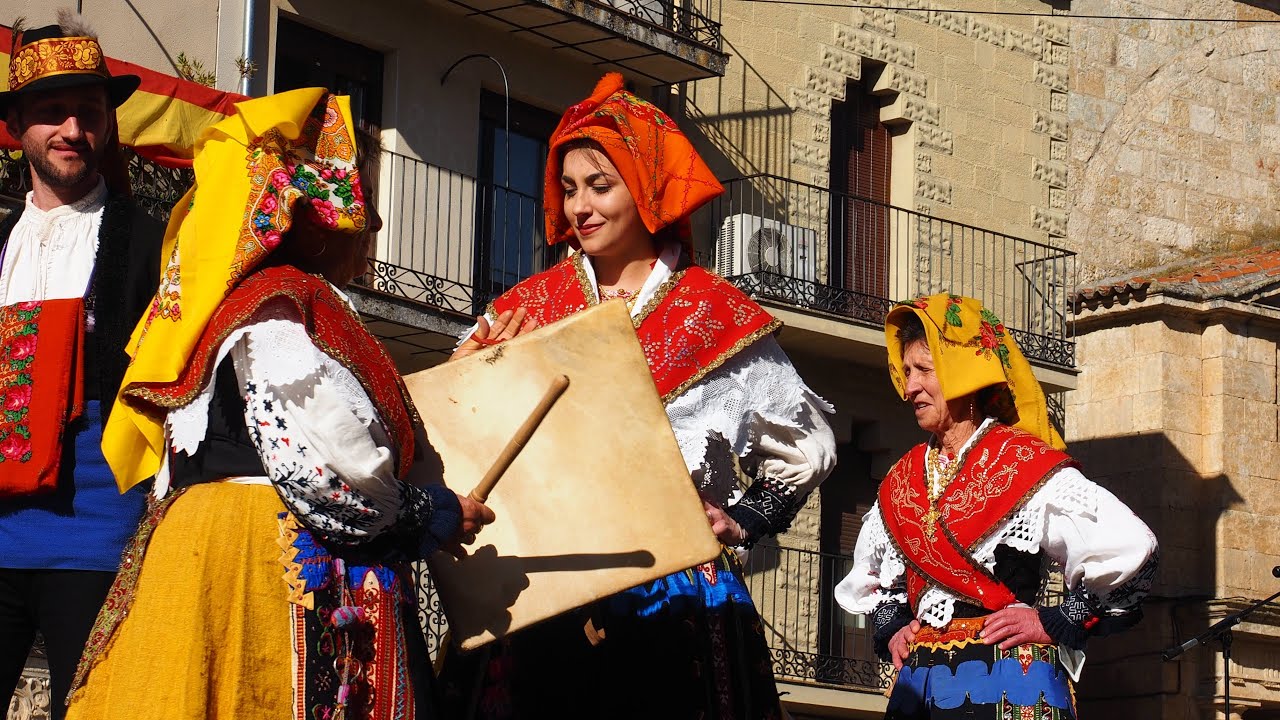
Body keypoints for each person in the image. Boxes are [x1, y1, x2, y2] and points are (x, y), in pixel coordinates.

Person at [64, 88, 494, 720]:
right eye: (364, 214)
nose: (371, 233)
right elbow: (330, 476)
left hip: (206, 549)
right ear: (317, 224)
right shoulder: (282, 308)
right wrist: (426, 513)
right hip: (258, 563)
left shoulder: (247, 305)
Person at [440, 73, 837, 719]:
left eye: (600, 186)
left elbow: (808, 446)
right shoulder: (526, 307)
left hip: (671, 594)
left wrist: (744, 518)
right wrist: (464, 377)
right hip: (541, 585)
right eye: (569, 189)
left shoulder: (713, 312)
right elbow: (463, 436)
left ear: (647, 189)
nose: (579, 208)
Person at [834, 294, 1160, 719]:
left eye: (924, 371)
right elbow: (878, 581)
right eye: (908, 372)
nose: (910, 387)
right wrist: (893, 626)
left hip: (1008, 675)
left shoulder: (1022, 462)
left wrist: (1055, 620)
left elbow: (1132, 546)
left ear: (963, 374)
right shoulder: (902, 480)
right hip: (922, 686)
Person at [0, 14, 162, 720]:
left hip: (99, 543)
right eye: (51, 112)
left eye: (89, 112)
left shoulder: (154, 244)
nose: (72, 128)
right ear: (17, 128)